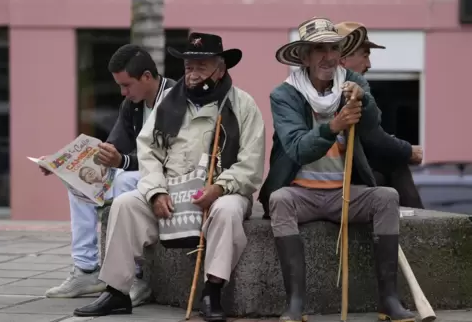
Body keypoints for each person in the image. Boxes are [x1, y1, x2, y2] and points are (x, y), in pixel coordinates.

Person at [73, 32, 266, 320]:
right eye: (189, 67)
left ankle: (212, 291)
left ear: (221, 68)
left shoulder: (243, 105)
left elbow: (251, 164)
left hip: (220, 191)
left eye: (202, 67)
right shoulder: (170, 103)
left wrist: (219, 187)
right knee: (126, 204)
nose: (193, 74)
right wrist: (155, 191)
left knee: (227, 211)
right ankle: (116, 291)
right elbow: (148, 151)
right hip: (171, 190)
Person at [258, 17, 415, 322]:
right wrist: (334, 127)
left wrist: (364, 100)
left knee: (386, 198)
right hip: (301, 193)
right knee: (278, 201)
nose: (328, 57)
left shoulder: (354, 81)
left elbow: (371, 131)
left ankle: (389, 301)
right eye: (318, 49)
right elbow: (299, 148)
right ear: (304, 56)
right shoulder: (284, 94)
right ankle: (296, 304)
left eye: (333, 48)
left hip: (345, 194)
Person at [39, 44, 175, 307]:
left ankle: (134, 277)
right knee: (78, 180)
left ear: (147, 77)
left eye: (127, 85)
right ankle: (86, 270)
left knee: (123, 179)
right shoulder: (132, 105)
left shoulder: (175, 100)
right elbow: (109, 150)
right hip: (139, 176)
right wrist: (61, 162)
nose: (123, 92)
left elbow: (170, 157)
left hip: (168, 180)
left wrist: (122, 161)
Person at [335, 21, 424, 209]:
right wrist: (407, 151)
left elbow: (368, 137)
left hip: (341, 176)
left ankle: (414, 225)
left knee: (388, 168)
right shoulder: (344, 89)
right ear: (343, 59)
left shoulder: (347, 85)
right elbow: (372, 138)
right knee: (395, 163)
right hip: (330, 180)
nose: (369, 64)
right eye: (365, 56)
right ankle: (419, 225)